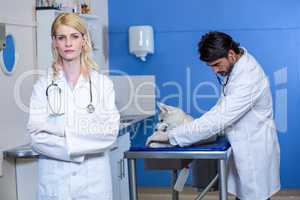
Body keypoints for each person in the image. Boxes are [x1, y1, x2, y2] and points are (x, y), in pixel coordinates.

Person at [146, 31, 280, 200]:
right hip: (245, 142)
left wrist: (170, 136)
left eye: (217, 65)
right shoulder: (238, 65)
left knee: (254, 195)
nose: (215, 71)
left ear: (231, 54)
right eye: (211, 67)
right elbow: (220, 109)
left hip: (254, 147)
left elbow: (219, 118)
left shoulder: (248, 78)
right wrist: (190, 128)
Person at [27, 13, 120, 200]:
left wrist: (59, 130)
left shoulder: (102, 85)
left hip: (93, 185)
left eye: (74, 36)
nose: (68, 43)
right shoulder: (42, 86)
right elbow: (36, 139)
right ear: (54, 42)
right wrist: (84, 142)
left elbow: (109, 134)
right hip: (56, 184)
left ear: (83, 40)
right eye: (61, 38)